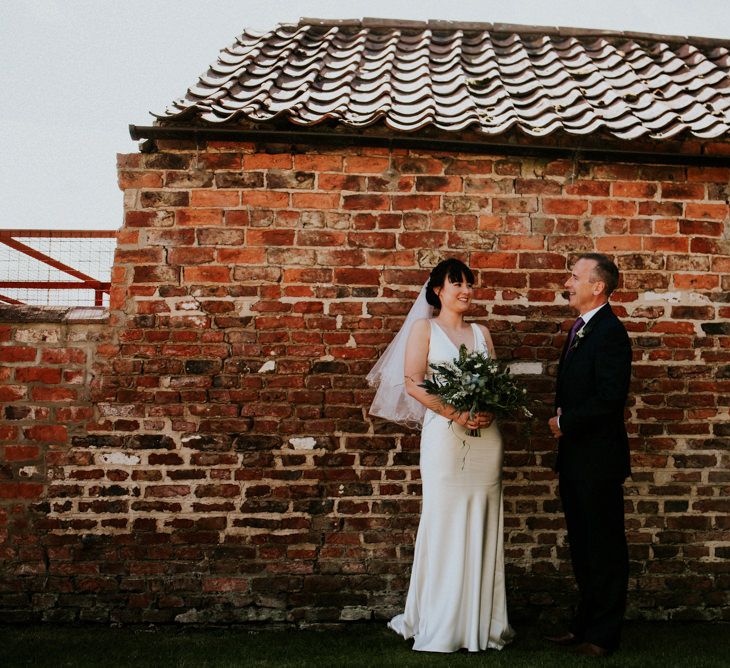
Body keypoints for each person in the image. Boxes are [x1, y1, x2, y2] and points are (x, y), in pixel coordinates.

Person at [367, 258, 514, 653]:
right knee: (444, 521)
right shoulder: (424, 329)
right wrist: (457, 414)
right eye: (456, 284)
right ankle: (443, 620)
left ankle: (481, 623)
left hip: (486, 439)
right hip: (445, 438)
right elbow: (413, 383)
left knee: (484, 521)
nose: (465, 291)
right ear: (438, 291)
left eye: (469, 283)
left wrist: (488, 410)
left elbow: (495, 385)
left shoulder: (482, 332)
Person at [546, 253, 632, 657]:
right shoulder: (580, 329)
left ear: (597, 286)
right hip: (577, 459)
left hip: (598, 460)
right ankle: (583, 625)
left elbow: (611, 398)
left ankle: (604, 635)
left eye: (574, 276)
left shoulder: (610, 332)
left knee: (605, 549)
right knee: (582, 546)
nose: (568, 282)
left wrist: (566, 423)